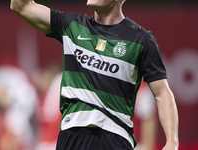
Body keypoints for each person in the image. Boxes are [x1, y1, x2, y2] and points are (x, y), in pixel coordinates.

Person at [10, 0, 179, 150]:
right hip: (71, 137)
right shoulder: (71, 26)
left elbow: (162, 93)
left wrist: (172, 142)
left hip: (115, 138)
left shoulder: (141, 40)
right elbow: (20, 6)